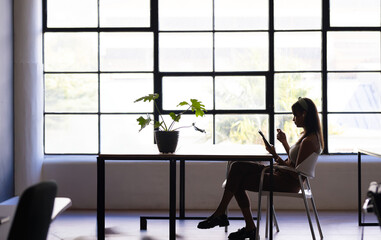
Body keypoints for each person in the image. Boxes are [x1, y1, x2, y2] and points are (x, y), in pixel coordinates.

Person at [197, 97, 324, 240]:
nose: (294, 119)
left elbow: (295, 172)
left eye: (295, 115)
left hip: (288, 182)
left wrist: (275, 156)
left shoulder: (308, 141)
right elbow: (294, 162)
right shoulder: (309, 137)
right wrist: (284, 143)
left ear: (304, 114)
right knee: (236, 167)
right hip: (284, 175)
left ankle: (230, 218)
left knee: (235, 177)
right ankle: (233, 220)